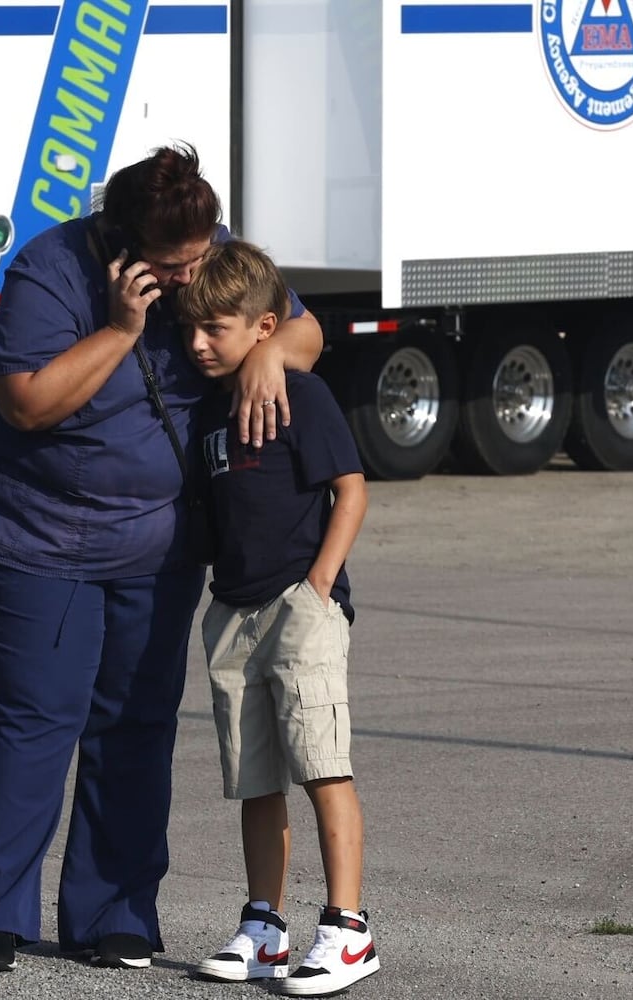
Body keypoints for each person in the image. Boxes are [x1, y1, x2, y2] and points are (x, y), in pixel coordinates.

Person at [0, 144, 323, 974]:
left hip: (158, 545)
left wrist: (267, 351)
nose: (192, 278)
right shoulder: (48, 271)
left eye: (201, 257)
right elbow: (27, 403)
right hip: (37, 539)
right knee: (37, 721)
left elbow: (304, 326)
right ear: (121, 243)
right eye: (174, 266)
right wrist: (122, 329)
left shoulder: (210, 250)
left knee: (136, 728)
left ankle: (115, 912)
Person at [177, 241, 376, 995]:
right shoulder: (209, 412)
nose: (198, 344)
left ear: (264, 327)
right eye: (191, 330)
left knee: (322, 766)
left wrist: (318, 588)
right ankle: (264, 927)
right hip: (232, 613)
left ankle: (348, 929)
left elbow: (351, 490)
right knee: (255, 779)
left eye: (215, 330)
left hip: (300, 606)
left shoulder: (302, 395)